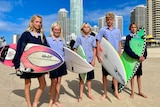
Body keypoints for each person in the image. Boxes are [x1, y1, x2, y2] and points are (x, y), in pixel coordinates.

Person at [12, 15, 48, 107]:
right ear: (32, 22)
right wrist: (17, 65)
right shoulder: (26, 34)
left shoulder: (42, 36)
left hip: (38, 64)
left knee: (43, 84)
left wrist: (49, 63)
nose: (39, 24)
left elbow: (47, 49)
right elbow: (20, 49)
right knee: (28, 84)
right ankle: (29, 104)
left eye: (40, 22)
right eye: (37, 22)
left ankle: (35, 103)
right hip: (27, 63)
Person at [96, 12, 122, 100]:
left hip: (115, 56)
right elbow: (98, 42)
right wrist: (98, 54)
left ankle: (116, 92)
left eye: (110, 19)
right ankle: (105, 93)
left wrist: (120, 54)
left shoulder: (117, 31)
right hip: (106, 56)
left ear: (113, 20)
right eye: (107, 20)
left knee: (115, 74)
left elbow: (119, 43)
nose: (109, 21)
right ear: (106, 21)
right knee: (104, 75)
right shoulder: (103, 30)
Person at [73, 23, 97, 102]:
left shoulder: (93, 38)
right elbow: (75, 48)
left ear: (90, 29)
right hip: (82, 61)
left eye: (88, 27)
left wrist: (94, 60)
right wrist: (76, 59)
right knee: (81, 79)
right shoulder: (79, 38)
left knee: (89, 79)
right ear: (82, 29)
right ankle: (80, 95)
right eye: (84, 27)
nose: (86, 28)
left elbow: (94, 49)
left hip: (90, 61)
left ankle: (89, 93)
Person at [46, 22, 67, 107]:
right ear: (52, 30)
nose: (57, 31)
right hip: (53, 63)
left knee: (59, 81)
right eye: (56, 29)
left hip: (62, 63)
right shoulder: (48, 39)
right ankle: (51, 100)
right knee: (53, 82)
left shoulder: (63, 40)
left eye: (59, 30)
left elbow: (66, 51)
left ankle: (56, 100)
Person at [124, 22, 147, 98]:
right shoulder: (128, 37)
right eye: (132, 27)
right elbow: (127, 49)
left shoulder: (140, 37)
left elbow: (144, 47)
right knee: (132, 76)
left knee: (139, 76)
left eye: (135, 27)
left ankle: (140, 91)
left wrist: (144, 56)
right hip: (132, 59)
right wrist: (136, 57)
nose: (133, 28)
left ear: (137, 29)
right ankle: (132, 92)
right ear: (130, 29)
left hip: (139, 60)